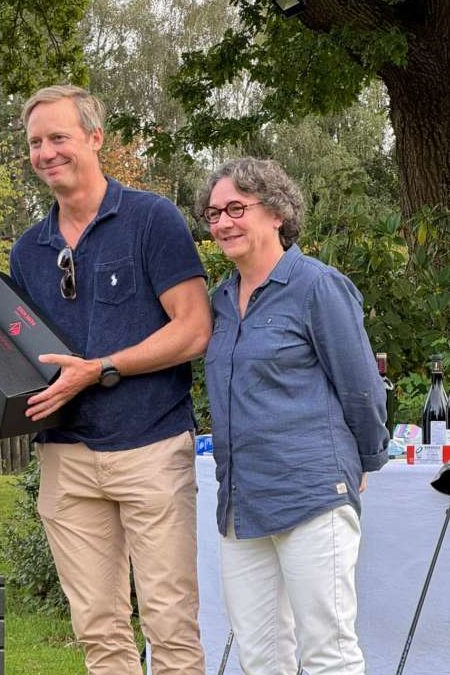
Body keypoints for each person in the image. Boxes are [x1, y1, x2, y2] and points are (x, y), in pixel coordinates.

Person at [0, 85, 211, 674]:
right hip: (65, 459)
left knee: (170, 627)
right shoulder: (29, 249)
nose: (46, 152)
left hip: (151, 447)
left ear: (95, 138)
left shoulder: (151, 219)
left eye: (58, 137)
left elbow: (193, 329)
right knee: (99, 632)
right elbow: (18, 365)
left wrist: (102, 368)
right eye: (35, 142)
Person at [198, 157, 389, 675]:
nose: (222, 223)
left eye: (236, 208)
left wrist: (364, 460)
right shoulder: (218, 302)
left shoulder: (317, 286)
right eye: (214, 213)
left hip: (312, 494)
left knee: (328, 653)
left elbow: (361, 386)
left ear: (277, 212)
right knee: (260, 658)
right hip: (241, 505)